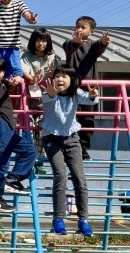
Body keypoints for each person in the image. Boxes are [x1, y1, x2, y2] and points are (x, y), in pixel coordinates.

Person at [41, 65, 99, 236]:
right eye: (57, 75)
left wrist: (92, 95)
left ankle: (83, 220)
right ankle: (58, 219)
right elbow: (47, 98)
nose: (60, 79)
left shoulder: (75, 93)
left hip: (72, 139)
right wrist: (50, 93)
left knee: (80, 179)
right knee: (61, 176)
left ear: (72, 80)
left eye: (64, 76)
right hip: (52, 139)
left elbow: (90, 100)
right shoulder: (49, 91)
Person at [0, 56, 36, 213]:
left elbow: (16, 79)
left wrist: (14, 81)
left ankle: (12, 179)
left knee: (30, 150)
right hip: (0, 124)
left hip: (9, 127)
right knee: (1, 162)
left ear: (3, 72)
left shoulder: (3, 83)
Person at [63, 16, 111, 161]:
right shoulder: (68, 43)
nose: (79, 29)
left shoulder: (92, 45)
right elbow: (69, 50)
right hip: (71, 89)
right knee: (70, 117)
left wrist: (104, 42)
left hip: (89, 90)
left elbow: (99, 47)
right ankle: (69, 147)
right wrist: (75, 43)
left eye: (83, 27)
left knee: (88, 119)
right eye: (77, 26)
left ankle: (83, 148)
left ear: (91, 31)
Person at [21, 27, 60, 173]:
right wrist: (33, 79)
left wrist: (50, 75)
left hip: (46, 100)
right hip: (29, 99)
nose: (41, 43)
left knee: (43, 131)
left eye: (44, 40)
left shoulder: (52, 57)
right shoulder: (26, 55)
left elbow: (56, 76)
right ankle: (31, 159)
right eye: (38, 40)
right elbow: (24, 72)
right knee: (30, 131)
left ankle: (40, 162)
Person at [0, 0, 38, 80]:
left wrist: (30, 18)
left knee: (16, 73)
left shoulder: (19, 4)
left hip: (13, 47)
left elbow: (26, 14)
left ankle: (11, 89)